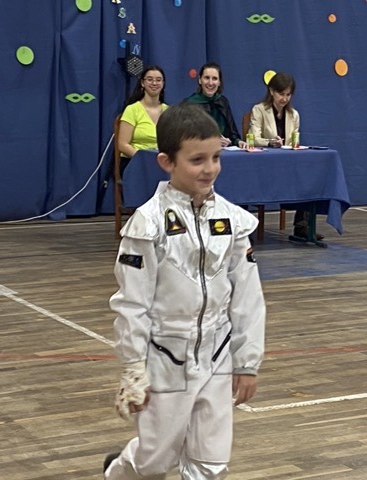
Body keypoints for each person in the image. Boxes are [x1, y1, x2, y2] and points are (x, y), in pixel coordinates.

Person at [104, 102, 266, 480]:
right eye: (197, 160)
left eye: (215, 158)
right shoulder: (147, 225)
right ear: (167, 162)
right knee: (154, 462)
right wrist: (134, 368)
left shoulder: (233, 220)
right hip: (166, 359)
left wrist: (247, 362)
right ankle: (118, 471)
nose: (209, 168)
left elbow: (248, 297)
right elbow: (132, 304)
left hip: (217, 355)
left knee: (211, 463)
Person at [249, 73, 322, 241]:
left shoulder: (294, 115)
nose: (284, 98)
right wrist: (270, 142)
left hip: (287, 164)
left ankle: (302, 226)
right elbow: (252, 138)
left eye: (288, 94)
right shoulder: (259, 110)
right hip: (265, 165)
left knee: (308, 177)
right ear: (271, 91)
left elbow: (293, 141)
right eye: (281, 94)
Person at [117, 65, 168, 176]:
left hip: (162, 163)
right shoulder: (132, 109)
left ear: (163, 84)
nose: (154, 83)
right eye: (149, 79)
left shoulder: (168, 111)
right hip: (135, 163)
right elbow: (122, 145)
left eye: (158, 80)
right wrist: (146, 160)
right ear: (142, 83)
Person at [186, 62, 246, 149]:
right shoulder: (189, 104)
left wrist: (238, 142)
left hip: (224, 152)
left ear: (219, 82)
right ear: (200, 80)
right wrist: (212, 142)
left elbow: (232, 133)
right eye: (207, 78)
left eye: (214, 78)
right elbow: (186, 139)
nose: (210, 83)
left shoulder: (223, 102)